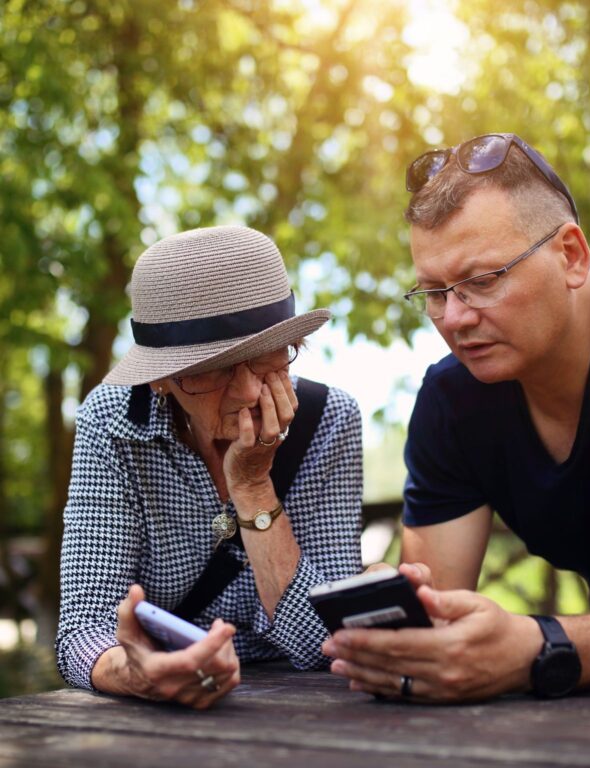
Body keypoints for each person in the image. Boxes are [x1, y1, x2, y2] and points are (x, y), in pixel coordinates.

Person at [323, 132, 590, 702]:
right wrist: (394, 624)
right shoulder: (453, 399)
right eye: (434, 292)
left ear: (572, 256)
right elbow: (430, 604)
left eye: (482, 280)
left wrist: (536, 646)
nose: (454, 318)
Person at [56, 225, 363, 708]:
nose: (245, 393)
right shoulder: (113, 423)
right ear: (161, 380)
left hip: (305, 704)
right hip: (163, 704)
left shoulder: (328, 420)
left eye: (266, 363)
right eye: (213, 370)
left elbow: (330, 641)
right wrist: (137, 672)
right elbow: (83, 630)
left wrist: (253, 484)